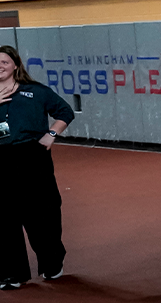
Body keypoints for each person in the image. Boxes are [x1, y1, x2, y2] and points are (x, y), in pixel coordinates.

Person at [0, 46, 73, 288]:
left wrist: (52, 133)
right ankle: (11, 273)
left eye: (4, 62)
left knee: (43, 213)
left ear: (15, 65)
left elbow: (65, 112)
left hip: (32, 157)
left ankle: (52, 262)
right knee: (5, 218)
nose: (0, 66)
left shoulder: (36, 91)